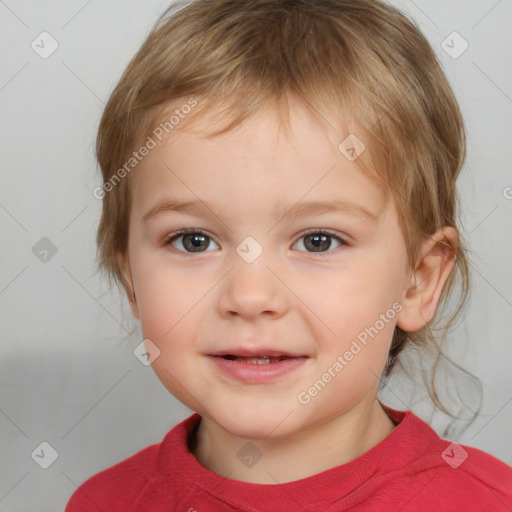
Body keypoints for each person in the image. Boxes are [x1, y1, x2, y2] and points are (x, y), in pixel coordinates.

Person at [65, 0, 512, 510]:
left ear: (418, 281)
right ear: (130, 279)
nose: (250, 297)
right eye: (194, 240)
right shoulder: (102, 502)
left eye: (318, 241)